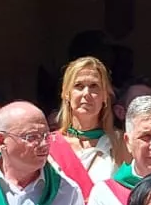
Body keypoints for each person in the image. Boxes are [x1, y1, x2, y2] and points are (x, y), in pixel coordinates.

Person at [51, 55, 123, 195]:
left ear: (105, 96)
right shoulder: (49, 144)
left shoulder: (121, 143)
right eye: (78, 86)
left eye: (94, 86)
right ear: (66, 94)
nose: (86, 93)